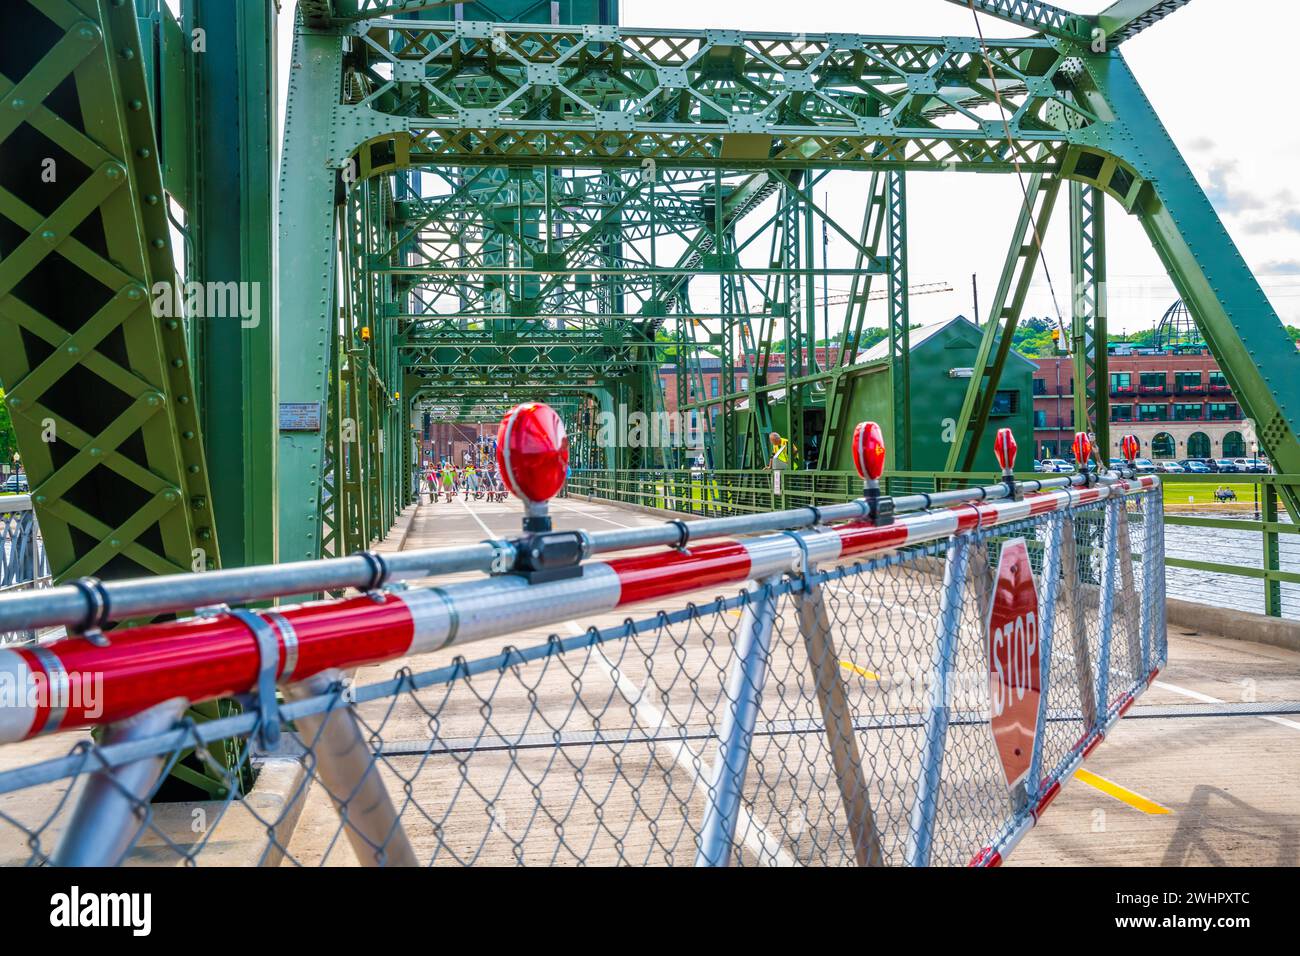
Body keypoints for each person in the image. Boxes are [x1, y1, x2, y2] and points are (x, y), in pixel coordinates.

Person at [765, 431, 790, 495]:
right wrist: (769, 466)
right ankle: (778, 493)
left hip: (792, 466)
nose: (771, 442)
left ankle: (781, 494)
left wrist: (789, 461)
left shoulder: (785, 442)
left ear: (776, 439)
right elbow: (772, 456)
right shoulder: (775, 446)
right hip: (783, 467)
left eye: (772, 440)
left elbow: (795, 451)